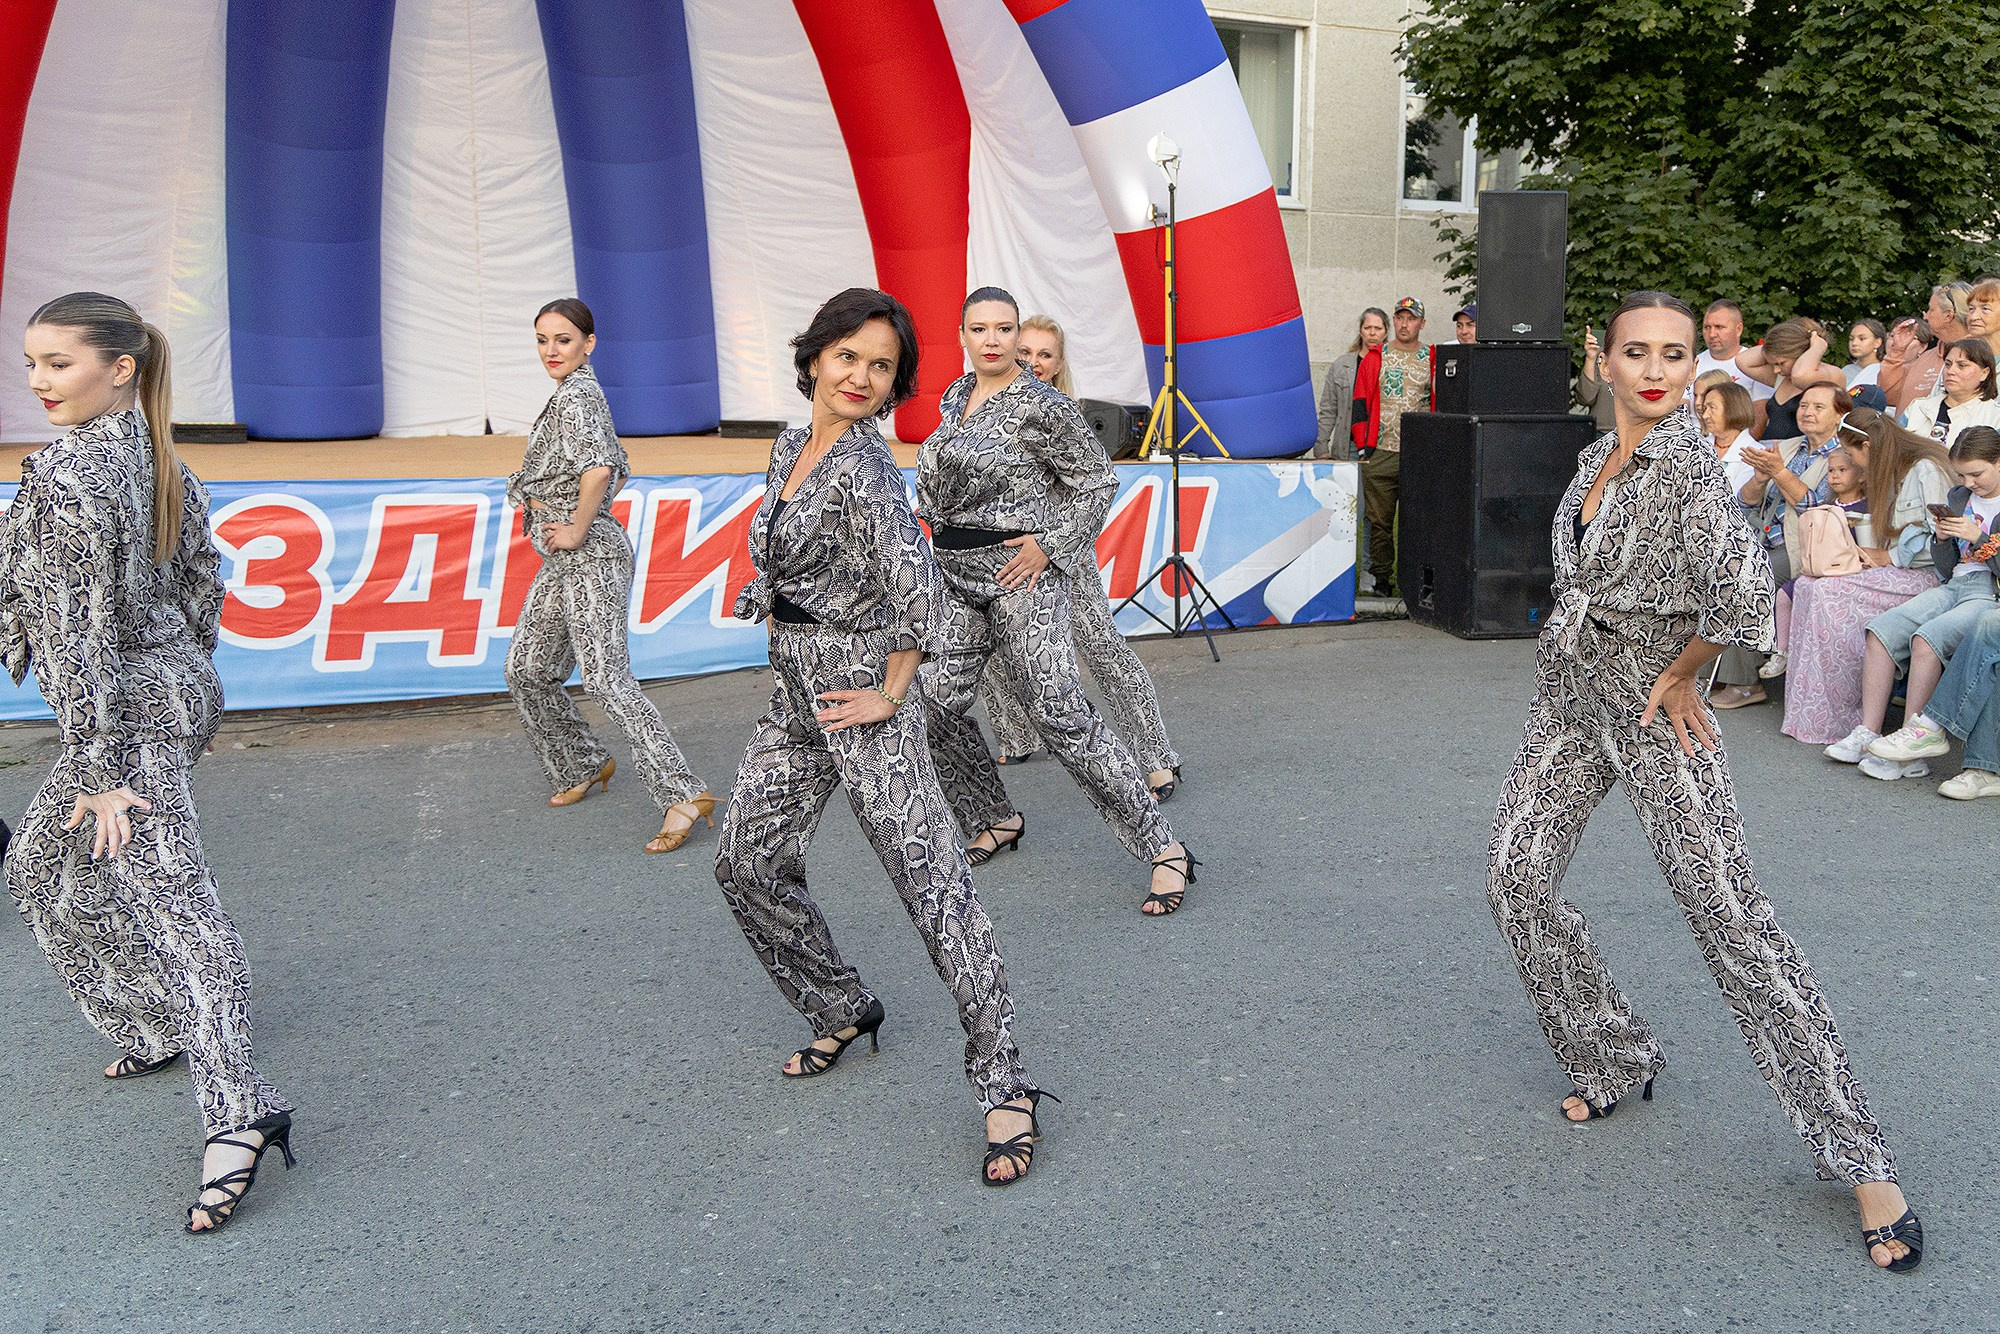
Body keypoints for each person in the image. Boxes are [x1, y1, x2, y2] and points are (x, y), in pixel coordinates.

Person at [1484, 290, 1921, 1274]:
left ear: (1692, 368)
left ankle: (1862, 1160)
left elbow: (1738, 594)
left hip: (1649, 709)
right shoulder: (1596, 457)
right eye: (1633, 351)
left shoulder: (1683, 465)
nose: (1651, 368)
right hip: (1570, 693)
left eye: (1672, 354)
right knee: (1514, 874)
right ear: (1602, 361)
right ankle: (1610, 1050)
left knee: (1732, 922)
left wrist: (1682, 669)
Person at [711, 288, 1049, 1185]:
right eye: (848, 357)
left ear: (897, 384)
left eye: (882, 366)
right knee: (744, 862)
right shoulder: (793, 445)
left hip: (861, 707)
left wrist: (890, 690)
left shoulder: (864, 470)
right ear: (816, 357)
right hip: (794, 703)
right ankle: (840, 1005)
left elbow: (927, 601)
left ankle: (1004, 1083)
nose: (861, 377)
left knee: (935, 890)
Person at [4, 292, 296, 1232]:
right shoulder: (158, 455)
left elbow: (80, 630)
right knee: (38, 869)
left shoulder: (70, 474)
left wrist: (98, 769)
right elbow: (200, 588)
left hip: (121, 727)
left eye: (60, 363)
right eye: (33, 363)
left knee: (185, 916)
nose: (41, 381)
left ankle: (239, 1113)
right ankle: (154, 1023)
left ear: (119, 367)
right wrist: (180, 679)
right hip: (167, 695)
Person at [916, 286, 1197, 916]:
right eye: (979, 328)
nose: (992, 339)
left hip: (1023, 576)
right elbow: (946, 481)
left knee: (1061, 714)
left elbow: (1098, 483)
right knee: (935, 709)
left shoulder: (1043, 405)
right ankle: (993, 815)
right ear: (961, 335)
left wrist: (1049, 546)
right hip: (953, 574)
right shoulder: (954, 398)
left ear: (1019, 336)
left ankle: (1163, 847)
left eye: (1004, 328)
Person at [504, 298, 713, 855]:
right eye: (543, 340)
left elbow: (598, 467)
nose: (552, 351)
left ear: (588, 344)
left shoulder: (578, 397)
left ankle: (683, 795)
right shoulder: (566, 396)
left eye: (564, 340)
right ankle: (583, 763)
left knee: (606, 681)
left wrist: (575, 526)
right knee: (527, 668)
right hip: (564, 555)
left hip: (590, 553)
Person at [977, 315, 1182, 798]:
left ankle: (1155, 757)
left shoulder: (1063, 414)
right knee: (993, 648)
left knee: (1102, 649)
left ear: (1059, 362)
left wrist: (1050, 543)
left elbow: (1093, 488)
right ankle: (1016, 734)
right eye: (1024, 351)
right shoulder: (981, 407)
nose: (1032, 362)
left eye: (1044, 354)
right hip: (1002, 551)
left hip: (1062, 551)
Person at [1780, 410, 1950, 753]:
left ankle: (1844, 715)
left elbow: (1940, 535)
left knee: (1829, 591)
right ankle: (1812, 713)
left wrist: (1891, 557)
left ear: (1869, 447)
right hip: (1898, 570)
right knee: (1808, 585)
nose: (1854, 463)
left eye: (1854, 454)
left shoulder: (1925, 469)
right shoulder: (1893, 470)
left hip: (1926, 575)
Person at [1855, 426, 2000, 780]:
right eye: (1962, 474)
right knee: (1883, 629)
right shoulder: (1958, 496)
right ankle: (1867, 733)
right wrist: (1941, 538)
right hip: (1955, 582)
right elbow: (1948, 567)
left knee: (1928, 639)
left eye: (1977, 473)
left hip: (1989, 590)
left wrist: (1978, 536)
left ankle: (1912, 746)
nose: (1969, 482)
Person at [1713, 381, 1854, 706]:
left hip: (1806, 549)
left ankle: (1745, 683)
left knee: (1747, 579)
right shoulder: (1787, 446)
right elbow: (1745, 504)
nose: (1807, 412)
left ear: (1839, 415)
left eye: (1818, 407)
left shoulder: (1844, 455)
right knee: (1715, 566)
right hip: (1762, 539)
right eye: (1804, 405)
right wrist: (1760, 479)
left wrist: (1779, 473)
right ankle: (1710, 672)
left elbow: (1820, 511)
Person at [1355, 296, 1433, 598]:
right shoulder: (1377, 356)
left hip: (1419, 453)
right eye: (1399, 318)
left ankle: (1417, 581)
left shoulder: (1433, 357)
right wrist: (1364, 446)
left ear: (1421, 324)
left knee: (1418, 522)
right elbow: (1360, 403)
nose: (1404, 324)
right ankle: (1382, 579)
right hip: (1381, 450)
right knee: (1379, 522)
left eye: (1411, 318)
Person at [1733, 317, 1845, 442]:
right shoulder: (1783, 377)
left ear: (1799, 354)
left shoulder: (1829, 373)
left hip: (1800, 451)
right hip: (1768, 448)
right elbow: (1742, 360)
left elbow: (1799, 376)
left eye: (1781, 363)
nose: (1776, 370)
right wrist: (1776, 343)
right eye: (1773, 364)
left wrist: (1817, 346)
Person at [1881, 282, 1970, 413]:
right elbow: (1888, 396)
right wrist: (1897, 352)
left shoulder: (1979, 356)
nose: (1925, 316)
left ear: (1948, 315)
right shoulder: (1925, 358)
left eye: (1931, 310)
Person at [1315, 307, 1387, 461]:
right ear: (1361, 331)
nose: (1372, 333)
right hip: (1348, 445)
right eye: (1367, 328)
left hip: (1382, 446)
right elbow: (1328, 409)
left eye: (1378, 328)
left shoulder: (1390, 363)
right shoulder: (1341, 365)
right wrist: (1320, 447)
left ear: (1385, 333)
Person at [1694, 299, 1776, 431]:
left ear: (1739, 329)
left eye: (1719, 327)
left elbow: (1761, 414)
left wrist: (1739, 449)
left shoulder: (1754, 365)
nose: (1712, 334)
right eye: (1707, 327)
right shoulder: (1692, 363)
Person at [1902, 338, 2000, 448]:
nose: (1950, 371)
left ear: (1984, 373)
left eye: (1962, 365)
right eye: (1948, 364)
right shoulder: (1918, 408)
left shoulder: (1995, 417)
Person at [1696, 379, 1757, 498]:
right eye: (1705, 409)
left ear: (1733, 408)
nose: (1705, 415)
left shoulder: (1754, 453)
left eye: (1712, 408)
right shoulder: (1698, 445)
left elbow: (1739, 501)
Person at [1572, 325, 1618, 432]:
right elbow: (1585, 398)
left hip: (1644, 435)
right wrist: (1591, 357)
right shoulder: (1603, 354)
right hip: (1602, 433)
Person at [1844, 319, 1886, 390]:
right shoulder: (1846, 371)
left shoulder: (1883, 372)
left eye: (1862, 339)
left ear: (1877, 342)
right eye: (1851, 339)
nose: (1854, 343)